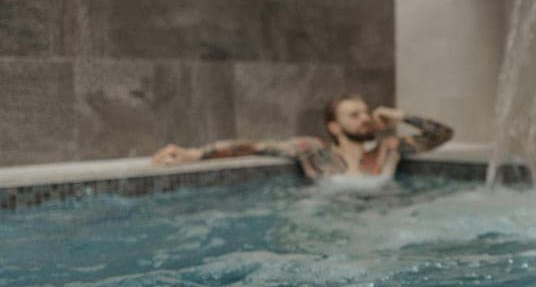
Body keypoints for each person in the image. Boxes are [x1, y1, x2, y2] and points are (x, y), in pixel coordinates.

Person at [152, 93, 453, 180]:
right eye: (354, 115)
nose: (364, 119)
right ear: (334, 126)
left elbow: (442, 134)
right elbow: (255, 147)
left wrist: (400, 117)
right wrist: (194, 154)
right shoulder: (314, 151)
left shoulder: (388, 150)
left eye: (365, 113)